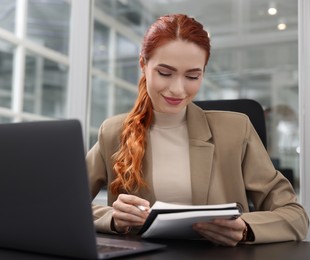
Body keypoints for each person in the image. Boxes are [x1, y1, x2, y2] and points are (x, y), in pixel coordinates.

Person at [86, 13, 309, 247]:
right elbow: (62, 206)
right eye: (165, 73)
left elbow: (295, 216)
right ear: (143, 65)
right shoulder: (114, 132)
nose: (178, 89)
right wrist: (111, 218)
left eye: (193, 76)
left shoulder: (236, 130)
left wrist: (246, 228)